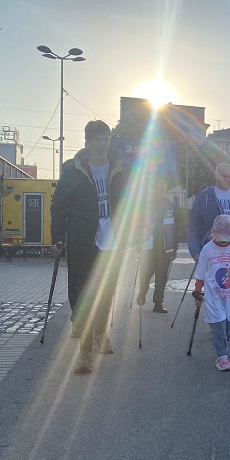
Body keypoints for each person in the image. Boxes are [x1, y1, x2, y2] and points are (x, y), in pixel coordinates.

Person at [51, 120, 130, 374]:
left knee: (106, 292)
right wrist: (57, 237)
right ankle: (84, 352)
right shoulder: (73, 170)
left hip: (113, 240)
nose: (103, 143)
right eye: (97, 139)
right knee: (83, 294)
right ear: (87, 142)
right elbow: (59, 206)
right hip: (82, 240)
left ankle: (99, 332)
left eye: (106, 138)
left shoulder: (121, 167)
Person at [192, 215, 230, 371]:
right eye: (221, 238)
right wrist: (197, 292)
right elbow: (201, 274)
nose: (224, 242)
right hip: (214, 294)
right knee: (218, 322)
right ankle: (222, 357)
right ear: (214, 233)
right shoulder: (207, 249)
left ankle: (221, 337)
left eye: (227, 238)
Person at [136, 179, 177, 313]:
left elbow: (175, 227)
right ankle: (142, 292)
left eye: (164, 189)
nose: (161, 192)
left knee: (162, 276)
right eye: (159, 189)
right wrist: (138, 242)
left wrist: (174, 247)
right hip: (149, 246)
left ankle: (158, 303)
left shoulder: (170, 206)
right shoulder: (145, 205)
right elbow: (138, 225)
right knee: (146, 273)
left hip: (165, 246)